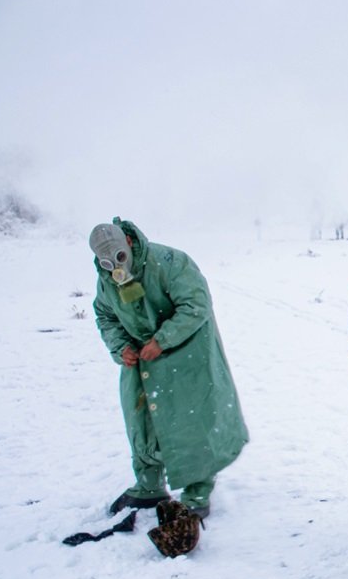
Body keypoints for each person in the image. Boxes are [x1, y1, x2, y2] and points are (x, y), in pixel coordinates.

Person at [89, 217, 248, 521]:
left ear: (130, 243)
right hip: (141, 362)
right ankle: (149, 485)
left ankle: (196, 492)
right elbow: (105, 315)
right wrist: (120, 346)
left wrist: (162, 340)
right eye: (107, 262)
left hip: (186, 356)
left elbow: (196, 304)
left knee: (192, 423)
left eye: (120, 256)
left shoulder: (169, 262)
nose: (116, 266)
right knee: (142, 420)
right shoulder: (106, 280)